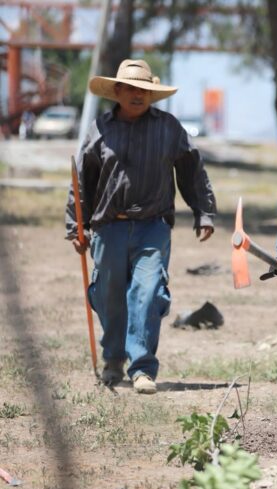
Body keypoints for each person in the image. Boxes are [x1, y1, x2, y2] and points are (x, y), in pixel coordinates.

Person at [65, 59, 217, 394]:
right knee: (109, 295)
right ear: (117, 91)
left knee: (147, 292)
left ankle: (142, 368)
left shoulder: (168, 128)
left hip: (153, 225)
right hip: (109, 227)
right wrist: (77, 225)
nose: (138, 95)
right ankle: (113, 360)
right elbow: (82, 181)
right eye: (131, 89)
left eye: (144, 90)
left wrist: (203, 212)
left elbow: (191, 169)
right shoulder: (99, 129)